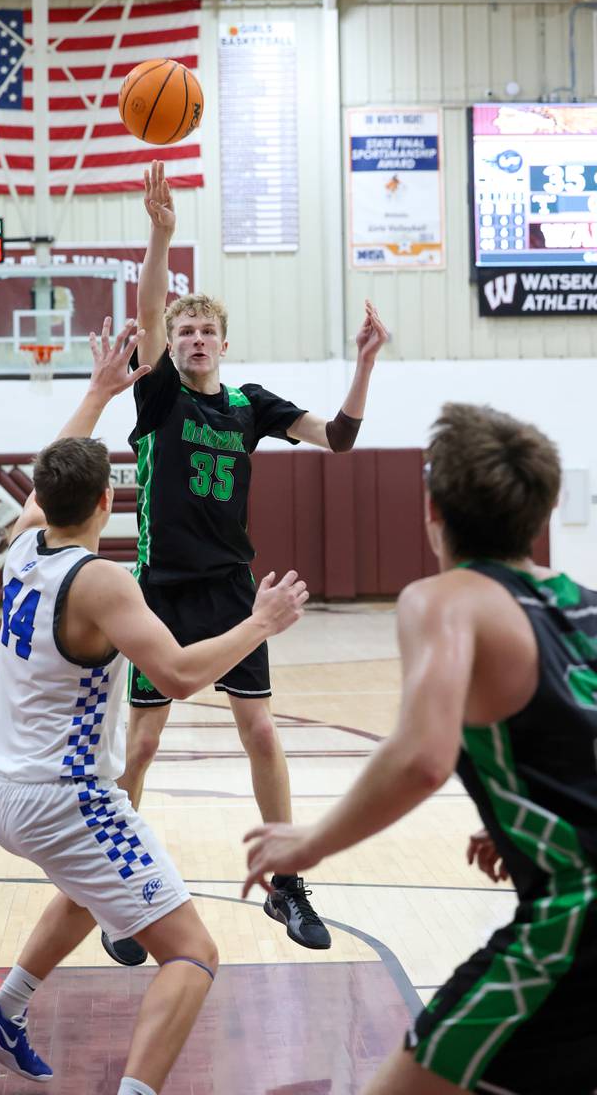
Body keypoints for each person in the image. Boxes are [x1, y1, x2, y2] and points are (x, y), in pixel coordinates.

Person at [0, 318, 307, 1094]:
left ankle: (1, 1012)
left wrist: (96, 392)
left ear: (38, 499)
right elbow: (180, 676)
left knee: (93, 891)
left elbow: (50, 474)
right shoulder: (106, 581)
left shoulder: (19, 547)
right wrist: (260, 622)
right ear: (110, 498)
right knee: (192, 954)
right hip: (66, 800)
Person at [243, 402, 597, 1095]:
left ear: (431, 509)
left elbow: (423, 757)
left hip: (573, 924)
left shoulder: (445, 601)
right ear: (547, 506)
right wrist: (533, 821)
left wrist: (308, 844)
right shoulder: (586, 603)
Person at [107, 160, 389, 966]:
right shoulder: (159, 397)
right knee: (143, 745)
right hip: (159, 591)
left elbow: (337, 439)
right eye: (183, 331)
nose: (193, 340)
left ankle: (287, 883)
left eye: (205, 333)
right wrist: (161, 235)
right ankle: (120, 889)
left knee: (261, 731)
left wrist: (365, 365)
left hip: (233, 589)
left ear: (224, 344)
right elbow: (149, 309)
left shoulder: (249, 405)